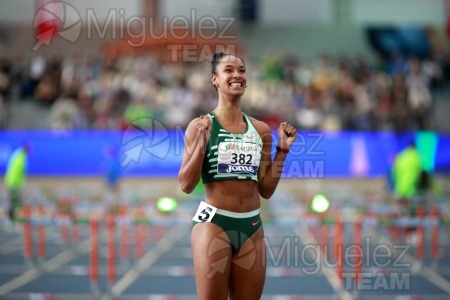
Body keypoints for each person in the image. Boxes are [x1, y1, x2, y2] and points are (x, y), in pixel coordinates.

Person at [178, 52, 297, 299]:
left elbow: (266, 190)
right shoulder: (200, 125)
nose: (237, 75)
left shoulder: (261, 130)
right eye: (229, 70)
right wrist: (201, 143)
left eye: (241, 70)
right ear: (215, 79)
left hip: (252, 226)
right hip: (213, 224)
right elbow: (186, 185)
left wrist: (282, 151)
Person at [4, 144, 30, 221]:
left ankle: (12, 217)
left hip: (10, 180)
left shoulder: (17, 154)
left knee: (13, 200)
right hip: (15, 182)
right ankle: (14, 217)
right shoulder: (22, 157)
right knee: (15, 201)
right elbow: (22, 170)